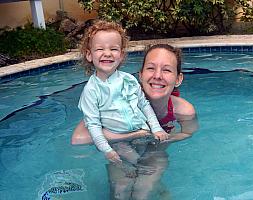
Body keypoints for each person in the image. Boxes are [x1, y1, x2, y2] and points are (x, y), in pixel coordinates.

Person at [72, 43, 199, 199]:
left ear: (178, 79)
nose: (157, 75)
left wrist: (160, 139)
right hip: (121, 151)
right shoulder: (119, 101)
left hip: (154, 152)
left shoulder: (183, 110)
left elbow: (188, 132)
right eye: (151, 68)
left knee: (142, 193)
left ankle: (157, 186)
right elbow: (78, 139)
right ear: (140, 75)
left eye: (166, 70)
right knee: (120, 191)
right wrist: (136, 135)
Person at [77, 20, 169, 178]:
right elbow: (93, 125)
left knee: (154, 156)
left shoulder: (129, 80)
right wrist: (107, 150)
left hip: (142, 133)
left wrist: (156, 128)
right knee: (140, 164)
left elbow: (144, 105)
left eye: (114, 49)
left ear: (121, 55)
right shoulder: (91, 91)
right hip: (118, 141)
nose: (107, 53)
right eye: (100, 49)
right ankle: (128, 167)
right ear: (89, 55)